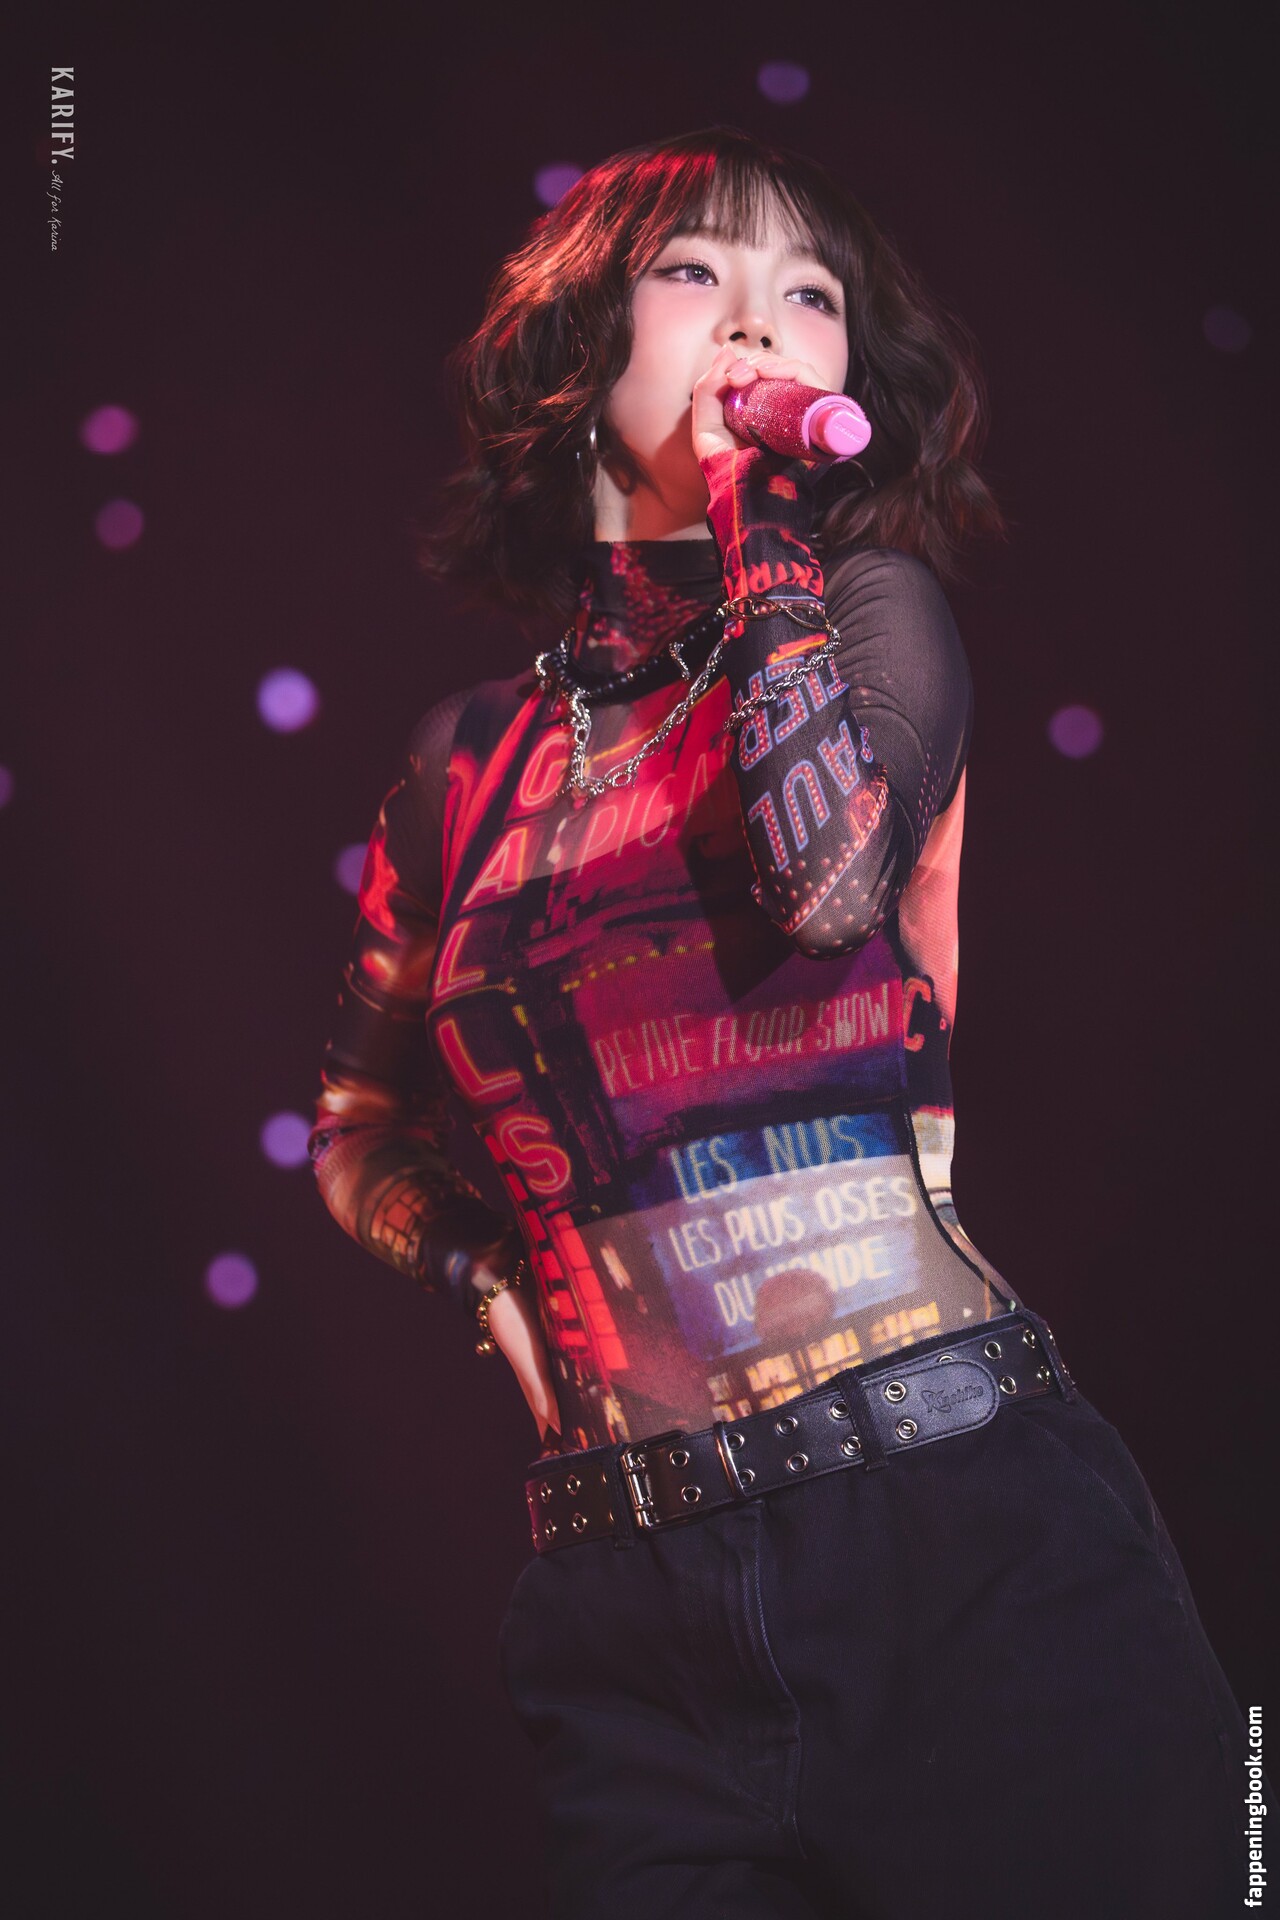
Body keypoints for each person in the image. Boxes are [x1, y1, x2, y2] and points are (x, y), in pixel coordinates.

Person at [308, 126, 1257, 1918]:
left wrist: (761, 510)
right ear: (583, 349)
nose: (757, 326)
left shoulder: (877, 619)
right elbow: (356, 1128)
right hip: (625, 1619)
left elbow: (824, 888)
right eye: (697, 274)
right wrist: (492, 1285)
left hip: (956, 1533)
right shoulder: (459, 768)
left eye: (806, 297)